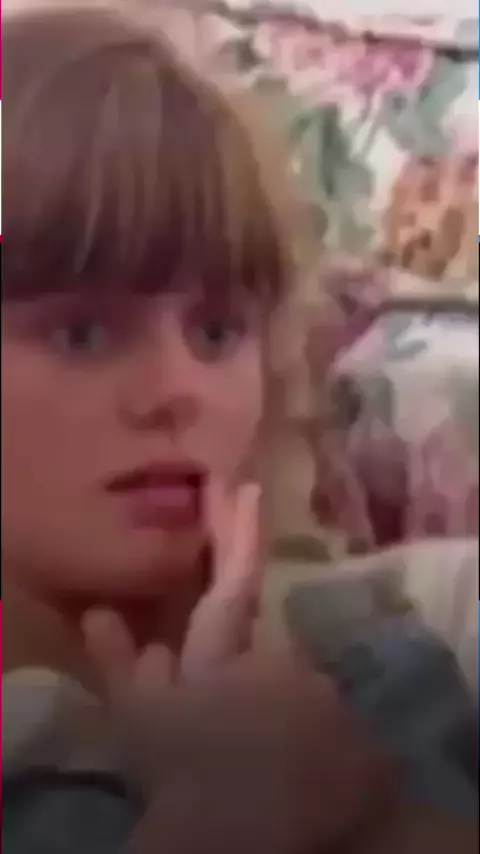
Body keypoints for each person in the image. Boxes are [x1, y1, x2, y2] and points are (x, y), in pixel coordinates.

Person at [2, 4, 477, 853]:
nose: (177, 390)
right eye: (83, 333)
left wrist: (377, 812)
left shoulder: (395, 643)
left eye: (218, 330)